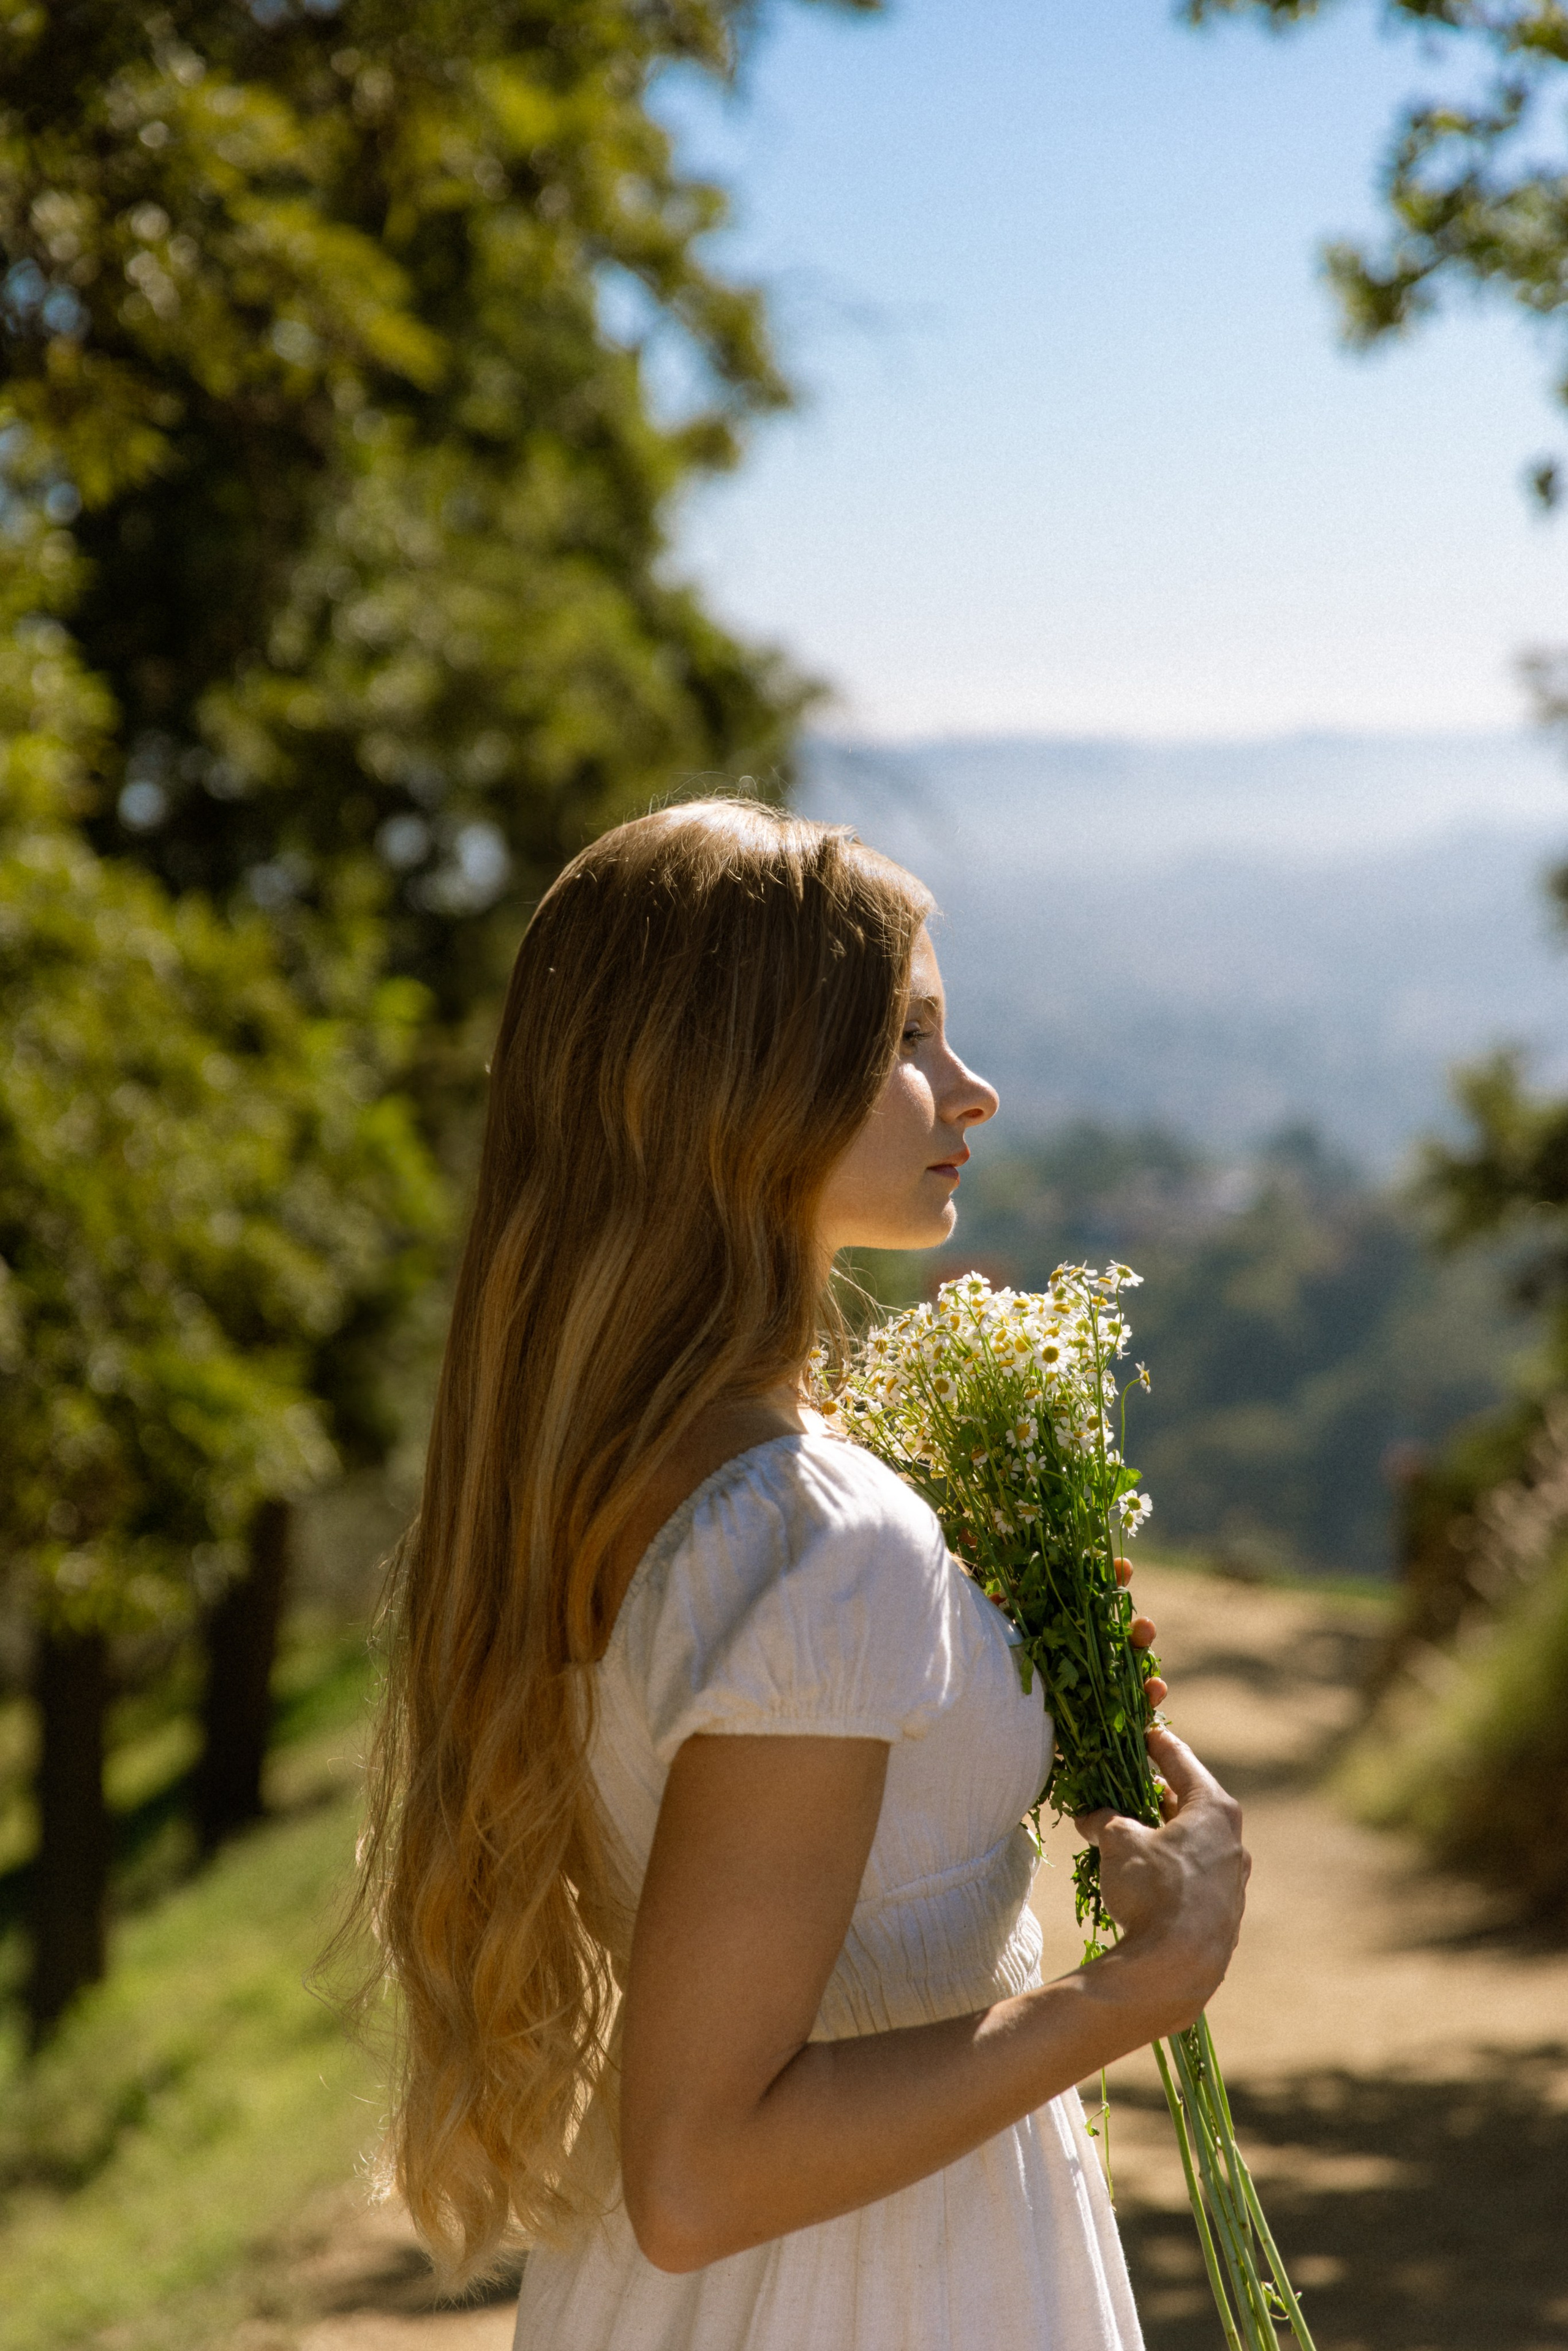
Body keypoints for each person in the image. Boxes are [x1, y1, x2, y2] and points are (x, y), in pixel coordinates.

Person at [350, 800, 1250, 2351]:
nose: (971, 1091)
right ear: (736, 1086)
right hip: (870, 2289)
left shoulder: (617, 1477)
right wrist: (1136, 1985)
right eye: (904, 1039)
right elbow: (703, 2165)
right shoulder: (821, 1531)